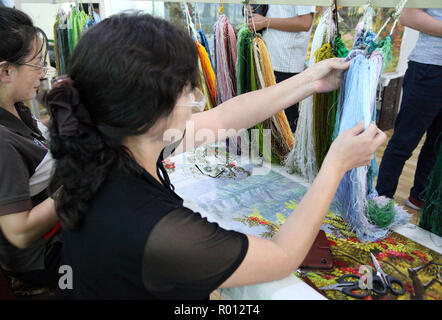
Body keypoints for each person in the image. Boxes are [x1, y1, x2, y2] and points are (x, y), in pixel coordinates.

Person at [46, 12, 386, 299]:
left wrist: (309, 81)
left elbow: (225, 118)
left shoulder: (106, 144)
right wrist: (336, 165)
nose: (195, 96)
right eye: (188, 89)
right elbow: (283, 256)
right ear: (153, 114)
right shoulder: (158, 232)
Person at [0, 7, 61, 292]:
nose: (44, 73)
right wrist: (80, 185)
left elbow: (35, 141)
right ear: (6, 71)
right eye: (37, 64)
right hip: (42, 258)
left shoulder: (14, 108)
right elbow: (19, 233)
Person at [376, 8, 442, 210]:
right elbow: (407, 15)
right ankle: (381, 199)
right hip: (428, 68)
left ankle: (419, 197)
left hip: (430, 69)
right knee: (404, 141)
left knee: (437, 145)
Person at [248, 5, 315, 132]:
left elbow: (305, 22)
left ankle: (288, 152)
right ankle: (265, 152)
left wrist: (265, 22)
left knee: (285, 128)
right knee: (265, 124)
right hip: (265, 59)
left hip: (285, 65)